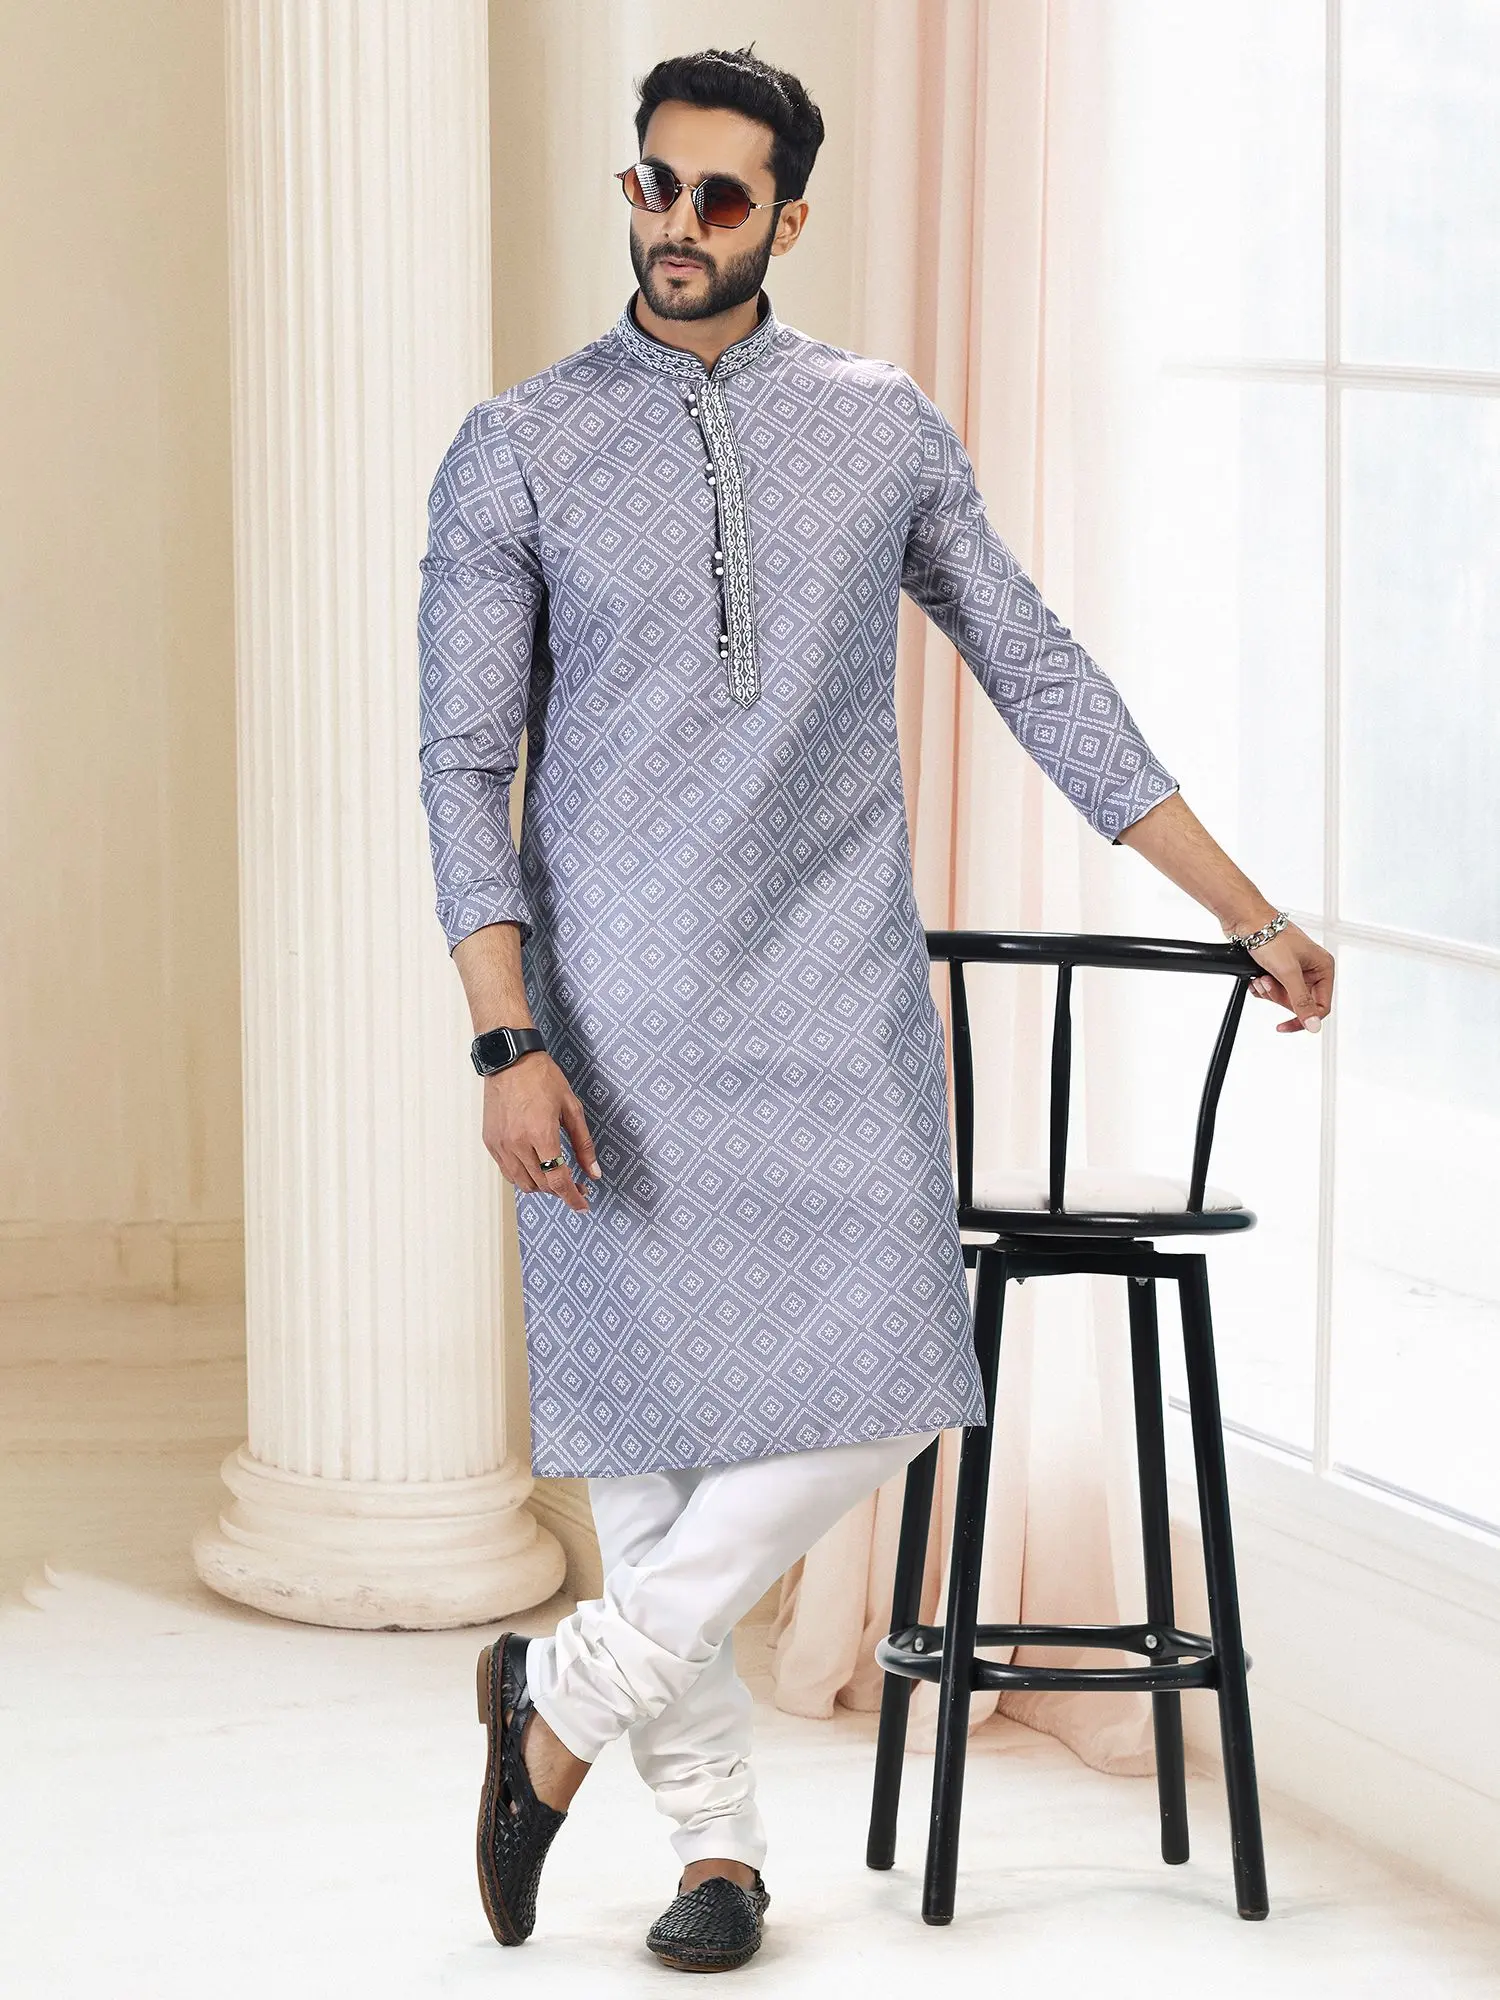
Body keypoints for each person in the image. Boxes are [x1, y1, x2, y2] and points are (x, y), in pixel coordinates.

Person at [416, 42, 1334, 1974]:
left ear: (790, 216)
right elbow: (462, 765)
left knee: (905, 1375)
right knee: (653, 1449)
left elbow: (1040, 672)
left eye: (720, 196)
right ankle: (717, 1856)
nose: (676, 224)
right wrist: (508, 1034)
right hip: (609, 1013)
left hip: (834, 995)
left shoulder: (880, 426)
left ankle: (558, 1699)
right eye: (654, 184)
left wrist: (1243, 905)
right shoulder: (520, 445)